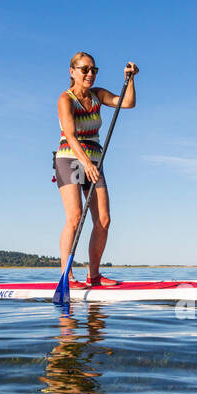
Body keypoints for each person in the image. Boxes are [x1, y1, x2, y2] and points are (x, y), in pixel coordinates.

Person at [54, 52, 138, 287]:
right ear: (72, 72)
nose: (90, 74)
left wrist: (130, 79)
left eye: (94, 70)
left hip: (94, 160)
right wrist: (86, 164)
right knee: (74, 218)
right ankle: (67, 276)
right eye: (84, 70)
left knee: (103, 219)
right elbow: (70, 136)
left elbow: (127, 103)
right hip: (70, 159)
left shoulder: (97, 95)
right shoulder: (66, 99)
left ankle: (94, 275)